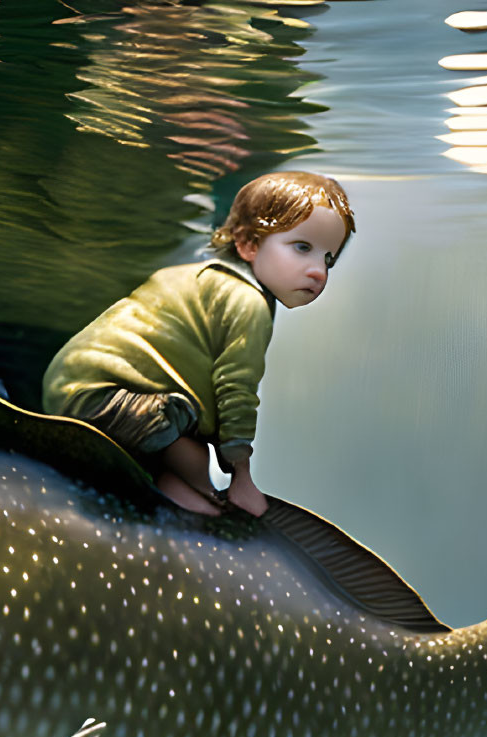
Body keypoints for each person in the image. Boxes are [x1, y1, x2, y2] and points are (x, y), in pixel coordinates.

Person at [42, 172, 354, 515]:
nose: (318, 272)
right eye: (302, 248)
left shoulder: (207, 278)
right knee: (190, 459)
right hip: (101, 399)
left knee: (191, 445)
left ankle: (183, 493)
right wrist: (241, 475)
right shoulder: (247, 303)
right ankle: (194, 507)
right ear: (249, 243)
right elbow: (235, 390)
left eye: (328, 259)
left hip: (71, 389)